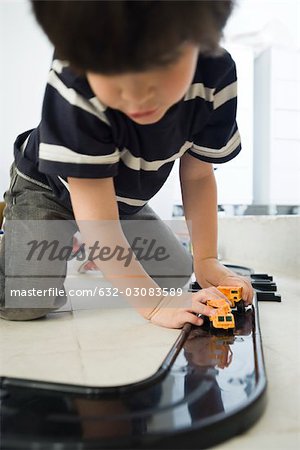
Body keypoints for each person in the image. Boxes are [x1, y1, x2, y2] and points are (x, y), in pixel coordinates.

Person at [0, 0, 253, 328]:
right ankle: (19, 246)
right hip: (48, 187)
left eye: (160, 63)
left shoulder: (216, 75)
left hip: (118, 201)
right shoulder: (72, 81)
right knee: (29, 301)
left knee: (174, 273)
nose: (136, 96)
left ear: (202, 37)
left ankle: (87, 250)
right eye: (110, 71)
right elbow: (99, 224)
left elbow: (198, 176)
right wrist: (152, 306)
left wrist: (206, 260)